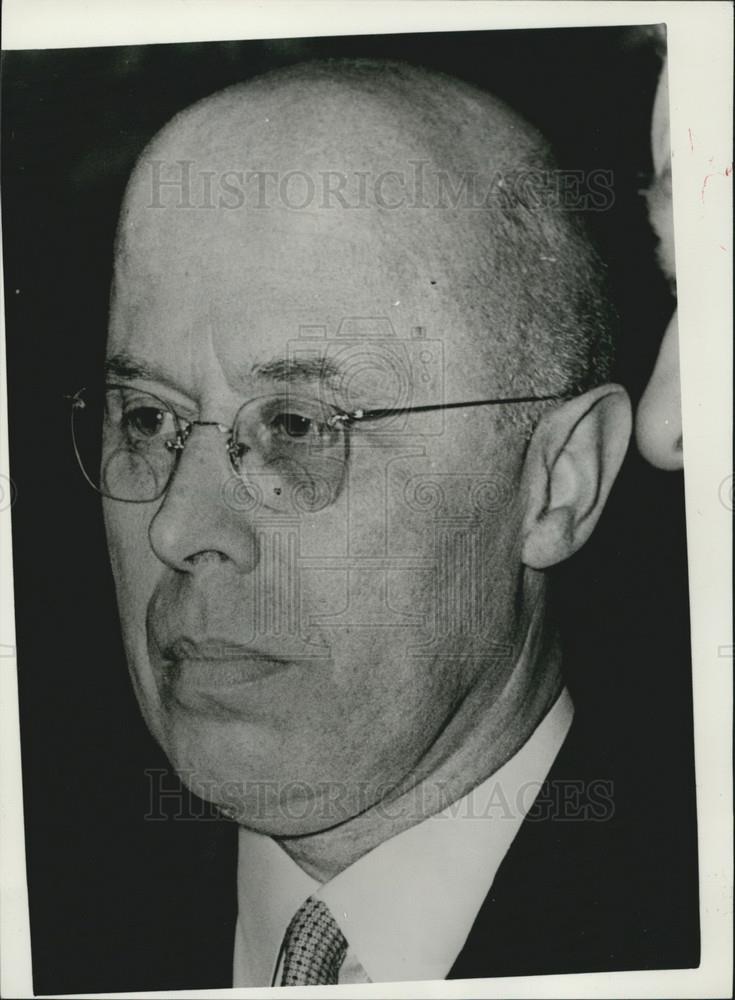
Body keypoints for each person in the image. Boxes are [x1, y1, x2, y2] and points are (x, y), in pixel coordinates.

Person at [69, 59, 698, 987]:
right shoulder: (67, 923)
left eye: (295, 427)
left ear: (559, 481)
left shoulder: (683, 922)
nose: (176, 527)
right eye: (149, 420)